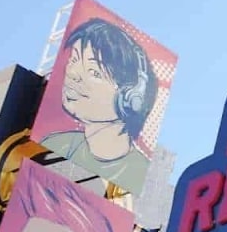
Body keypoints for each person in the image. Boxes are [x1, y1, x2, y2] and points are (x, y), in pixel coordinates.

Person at [38, 18, 155, 189]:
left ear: (130, 98)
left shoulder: (139, 175)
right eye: (73, 60)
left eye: (94, 72)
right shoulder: (54, 145)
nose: (72, 73)